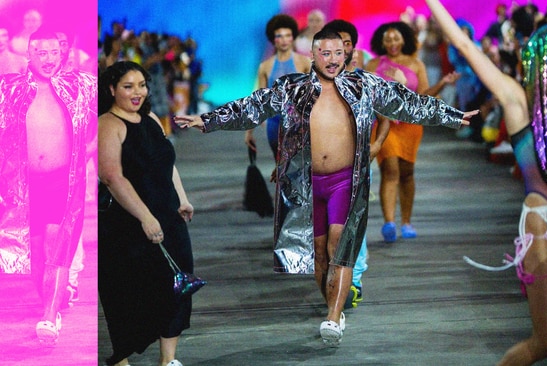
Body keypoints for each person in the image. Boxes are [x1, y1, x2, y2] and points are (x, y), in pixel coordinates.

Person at [175, 28, 477, 346]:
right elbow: (253, 106)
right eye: (325, 53)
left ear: (345, 54)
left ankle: (333, 317)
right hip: (306, 185)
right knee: (318, 254)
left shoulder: (365, 84)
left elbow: (407, 103)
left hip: (345, 181)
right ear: (313, 55)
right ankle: (333, 306)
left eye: (338, 53)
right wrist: (207, 120)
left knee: (339, 246)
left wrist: (451, 116)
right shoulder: (290, 88)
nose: (332, 60)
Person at [426, 1, 547, 364]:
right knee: (546, 343)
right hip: (543, 223)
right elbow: (467, 47)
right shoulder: (517, 100)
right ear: (543, 64)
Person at [0, 27, 96, 346]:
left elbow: (113, 91)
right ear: (29, 55)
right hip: (27, 188)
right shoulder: (9, 90)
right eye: (42, 53)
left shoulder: (78, 86)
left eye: (54, 53)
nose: (49, 59)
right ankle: (52, 301)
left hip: (62, 183)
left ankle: (50, 316)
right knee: (37, 259)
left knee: (57, 248)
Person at [98, 61, 195, 366]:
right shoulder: (107, 124)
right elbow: (112, 177)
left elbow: (166, 162)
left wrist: (182, 198)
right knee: (129, 290)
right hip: (127, 221)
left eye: (141, 85)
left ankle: (169, 359)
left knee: (177, 283)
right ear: (112, 90)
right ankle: (122, 358)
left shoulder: (151, 118)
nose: (137, 92)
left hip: (168, 213)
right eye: (128, 86)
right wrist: (144, 216)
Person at [321, 18, 390, 309]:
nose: (342, 49)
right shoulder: (318, 81)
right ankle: (332, 282)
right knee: (327, 232)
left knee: (353, 224)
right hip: (321, 172)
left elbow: (387, 116)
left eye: (347, 43)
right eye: (337, 44)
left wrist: (375, 146)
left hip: (357, 166)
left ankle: (355, 281)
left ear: (351, 47)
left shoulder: (366, 82)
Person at [364, 21, 430, 242]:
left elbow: (424, 96)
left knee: (407, 172)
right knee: (390, 169)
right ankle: (389, 222)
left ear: (404, 39)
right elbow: (365, 95)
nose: (392, 43)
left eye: (396, 38)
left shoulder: (416, 64)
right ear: (381, 42)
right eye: (388, 39)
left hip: (410, 126)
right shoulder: (373, 65)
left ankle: (407, 222)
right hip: (384, 125)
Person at [245, 14, 311, 162]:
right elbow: (259, 100)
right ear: (273, 39)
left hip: (299, 123)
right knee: (280, 165)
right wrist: (249, 131)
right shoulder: (265, 66)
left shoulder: (305, 62)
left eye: (288, 35)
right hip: (274, 123)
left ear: (293, 37)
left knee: (298, 166)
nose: (284, 40)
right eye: (279, 36)